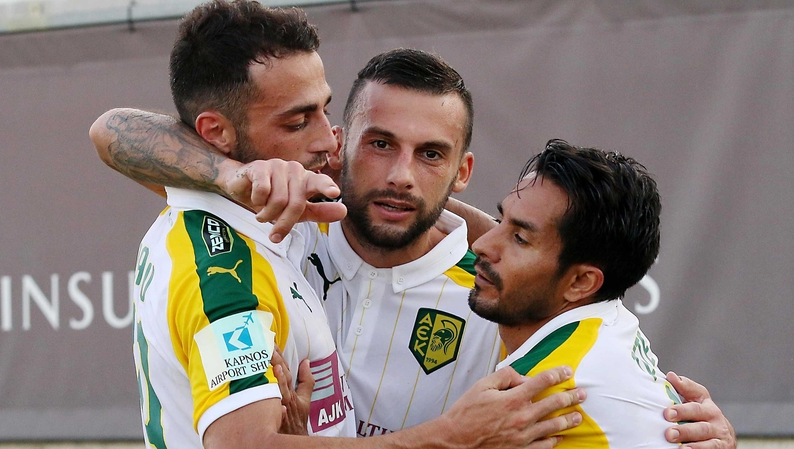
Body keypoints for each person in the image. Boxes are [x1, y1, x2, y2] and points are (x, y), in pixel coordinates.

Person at [90, 4, 735, 447]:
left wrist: (691, 431)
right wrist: (230, 173)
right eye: (380, 144)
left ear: (462, 171)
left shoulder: (493, 288)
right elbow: (113, 131)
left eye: (431, 154)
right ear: (342, 142)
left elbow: (604, 362)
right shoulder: (284, 215)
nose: (401, 174)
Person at [469, 139, 695, 447]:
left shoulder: (545, 389)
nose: (481, 245)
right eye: (499, 220)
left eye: (520, 238)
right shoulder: (605, 321)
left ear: (581, 283)